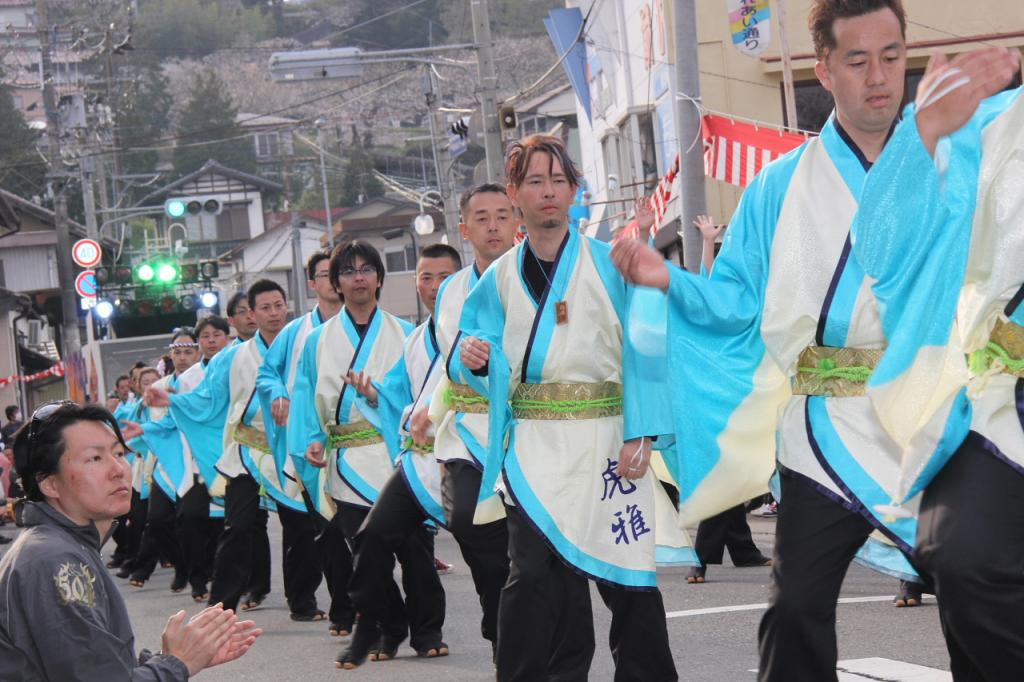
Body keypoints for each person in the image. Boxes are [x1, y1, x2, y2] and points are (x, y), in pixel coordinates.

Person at [611, 2, 993, 679]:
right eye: (857, 60)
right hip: (824, 429)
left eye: (890, 55)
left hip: (936, 416)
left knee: (975, 589)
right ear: (824, 68)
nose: (880, 77)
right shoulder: (777, 186)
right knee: (796, 607)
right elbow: (733, 300)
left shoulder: (955, 159)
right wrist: (666, 278)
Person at [453, 135, 693, 681]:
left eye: (559, 181)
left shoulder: (612, 263)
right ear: (516, 193)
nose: (548, 192)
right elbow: (470, 347)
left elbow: (647, 346)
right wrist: (470, 357)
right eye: (535, 181)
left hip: (610, 439)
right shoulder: (498, 278)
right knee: (532, 577)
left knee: (628, 580)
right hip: (536, 445)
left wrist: (644, 430)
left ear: (575, 190)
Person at [849, 48, 1022, 679]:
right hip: (1003, 402)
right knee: (959, 552)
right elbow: (884, 248)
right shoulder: (990, 124)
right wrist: (922, 134)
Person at [0, 401, 261, 680]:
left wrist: (174, 658)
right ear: (50, 483)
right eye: (94, 459)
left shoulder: (59, 544)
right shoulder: (56, 560)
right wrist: (176, 663)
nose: (119, 469)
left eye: (119, 453)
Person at [290, 241, 426, 668]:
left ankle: (429, 628)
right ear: (336, 283)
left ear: (380, 278)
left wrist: (377, 396)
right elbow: (307, 395)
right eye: (348, 272)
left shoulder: (405, 334)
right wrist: (313, 439)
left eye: (367, 269)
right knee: (363, 553)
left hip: (397, 458)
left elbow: (418, 395)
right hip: (346, 460)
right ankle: (390, 623)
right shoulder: (316, 341)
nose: (359, 277)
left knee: (414, 550)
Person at [342, 243, 462, 664]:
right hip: (418, 463)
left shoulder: (479, 328)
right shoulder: (415, 341)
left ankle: (454, 633)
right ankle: (378, 623)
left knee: (478, 561)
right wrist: (371, 391)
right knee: (374, 538)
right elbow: (394, 392)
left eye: (444, 277)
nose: (434, 286)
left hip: (468, 456)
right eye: (425, 278)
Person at [146, 280, 290, 613]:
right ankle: (222, 601)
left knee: (305, 528)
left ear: (286, 307)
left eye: (278, 305)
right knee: (239, 524)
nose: (272, 313)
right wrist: (170, 398)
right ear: (249, 315)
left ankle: (310, 600)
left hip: (292, 446)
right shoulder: (233, 356)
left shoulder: (302, 343)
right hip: (247, 449)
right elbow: (207, 399)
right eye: (262, 308)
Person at [426, 183, 518, 656]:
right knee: (467, 519)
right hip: (470, 427)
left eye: (503, 215)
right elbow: (446, 360)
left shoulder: (535, 273)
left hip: (527, 426)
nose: (493, 225)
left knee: (528, 544)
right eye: (481, 218)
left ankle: (516, 626)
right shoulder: (452, 291)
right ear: (465, 229)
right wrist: (470, 362)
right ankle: (495, 604)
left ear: (517, 221)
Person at [255, 251, 345, 625]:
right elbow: (266, 374)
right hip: (309, 441)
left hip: (360, 440)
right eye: (324, 275)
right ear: (312, 283)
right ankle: (322, 603)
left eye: (337, 273)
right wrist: (278, 394)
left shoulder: (373, 327)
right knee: (319, 530)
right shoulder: (296, 333)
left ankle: (369, 605)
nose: (332, 281)